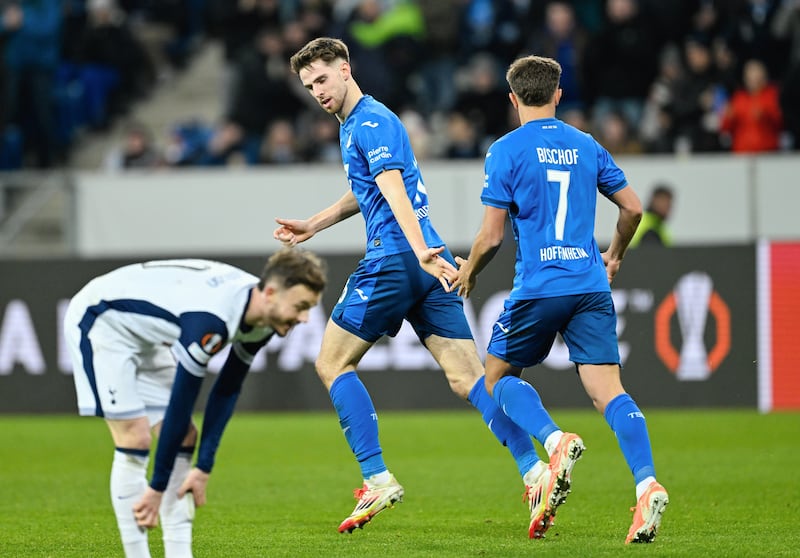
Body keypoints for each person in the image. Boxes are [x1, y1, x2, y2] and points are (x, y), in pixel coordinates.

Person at [273, 37, 551, 537]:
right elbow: (368, 188)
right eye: (309, 85)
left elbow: (392, 185)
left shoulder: (370, 121)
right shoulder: (363, 122)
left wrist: (418, 247)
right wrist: (316, 223)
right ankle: (534, 469)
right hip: (426, 257)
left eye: (322, 78)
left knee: (331, 363)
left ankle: (376, 477)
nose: (317, 91)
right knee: (468, 379)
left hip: (398, 257)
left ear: (345, 69)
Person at [448, 55, 669, 544]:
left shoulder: (504, 150)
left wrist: (469, 272)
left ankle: (554, 440)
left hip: (540, 287)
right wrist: (613, 255)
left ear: (512, 99)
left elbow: (489, 238)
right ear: (558, 94)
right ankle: (646, 482)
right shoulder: (586, 145)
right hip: (590, 285)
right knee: (609, 392)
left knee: (496, 377)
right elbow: (632, 208)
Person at [63, 249, 327, 558]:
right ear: (270, 292)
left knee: (185, 437)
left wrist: (203, 467)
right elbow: (182, 401)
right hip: (103, 320)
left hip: (147, 334)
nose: (305, 318)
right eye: (301, 307)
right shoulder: (210, 321)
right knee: (135, 438)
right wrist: (156, 487)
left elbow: (227, 390)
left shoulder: (263, 317)